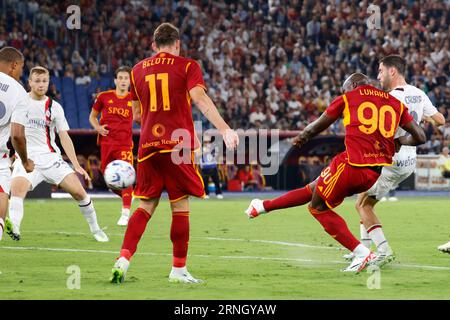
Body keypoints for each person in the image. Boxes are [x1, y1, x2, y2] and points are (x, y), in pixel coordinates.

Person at [246, 73, 425, 273]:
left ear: (355, 85)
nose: (344, 92)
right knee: (314, 188)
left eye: (345, 89)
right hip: (373, 174)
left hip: (352, 165)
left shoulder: (349, 98)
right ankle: (262, 206)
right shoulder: (394, 103)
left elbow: (319, 125)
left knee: (317, 207)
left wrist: (300, 138)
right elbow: (420, 136)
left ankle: (362, 253)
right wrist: (399, 141)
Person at [110, 23, 239, 284]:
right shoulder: (188, 66)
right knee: (179, 206)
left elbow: (136, 115)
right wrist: (225, 129)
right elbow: (200, 100)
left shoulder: (136, 71)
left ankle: (122, 261)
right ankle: (178, 270)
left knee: (145, 204)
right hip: (178, 146)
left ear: (155, 45)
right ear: (177, 44)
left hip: (147, 147)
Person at [354, 55, 445, 266]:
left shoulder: (389, 98)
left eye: (381, 71)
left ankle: (383, 251)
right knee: (364, 196)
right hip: (408, 162)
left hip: (391, 159)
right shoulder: (418, 93)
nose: (379, 76)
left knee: (363, 206)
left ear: (392, 71)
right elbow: (440, 120)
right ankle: (364, 250)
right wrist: (421, 117)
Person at [4, 66, 108, 242]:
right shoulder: (19, 103)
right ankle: (14, 227)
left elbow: (64, 137)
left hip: (51, 158)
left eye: (44, 81)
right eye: (37, 81)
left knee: (80, 193)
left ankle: (96, 229)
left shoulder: (55, 107)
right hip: (27, 158)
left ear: (48, 83)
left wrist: (75, 165)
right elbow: (12, 131)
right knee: (17, 191)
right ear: (29, 82)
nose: (41, 84)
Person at [89, 66, 134, 226]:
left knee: (126, 176)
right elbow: (93, 117)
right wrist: (98, 128)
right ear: (115, 80)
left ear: (130, 81)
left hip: (125, 145)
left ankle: (125, 212)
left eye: (126, 78)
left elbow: (141, 117)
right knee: (108, 179)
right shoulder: (103, 97)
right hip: (106, 143)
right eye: (120, 78)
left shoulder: (134, 100)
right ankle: (128, 197)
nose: (123, 81)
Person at [0, 46, 35, 241]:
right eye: (22, 67)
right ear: (14, 65)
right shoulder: (19, 92)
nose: (22, 72)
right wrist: (26, 161)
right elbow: (17, 135)